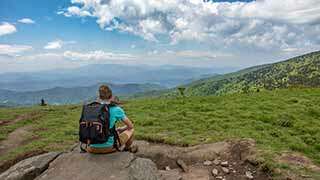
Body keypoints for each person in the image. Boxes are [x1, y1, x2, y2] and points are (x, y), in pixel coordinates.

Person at [86, 85, 134, 154]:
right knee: (131, 130)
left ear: (99, 97)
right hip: (109, 147)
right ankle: (127, 149)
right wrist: (122, 129)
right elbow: (130, 126)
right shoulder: (116, 109)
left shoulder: (93, 108)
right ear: (111, 96)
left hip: (91, 148)